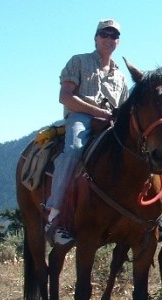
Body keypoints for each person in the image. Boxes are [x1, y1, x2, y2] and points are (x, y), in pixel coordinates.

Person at [45, 19, 129, 245]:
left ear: (118, 42)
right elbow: (66, 97)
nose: (109, 39)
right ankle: (56, 212)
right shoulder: (79, 61)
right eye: (105, 34)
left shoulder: (120, 76)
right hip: (80, 117)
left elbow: (122, 108)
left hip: (109, 123)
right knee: (73, 149)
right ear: (96, 37)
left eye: (114, 36)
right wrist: (98, 111)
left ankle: (143, 216)